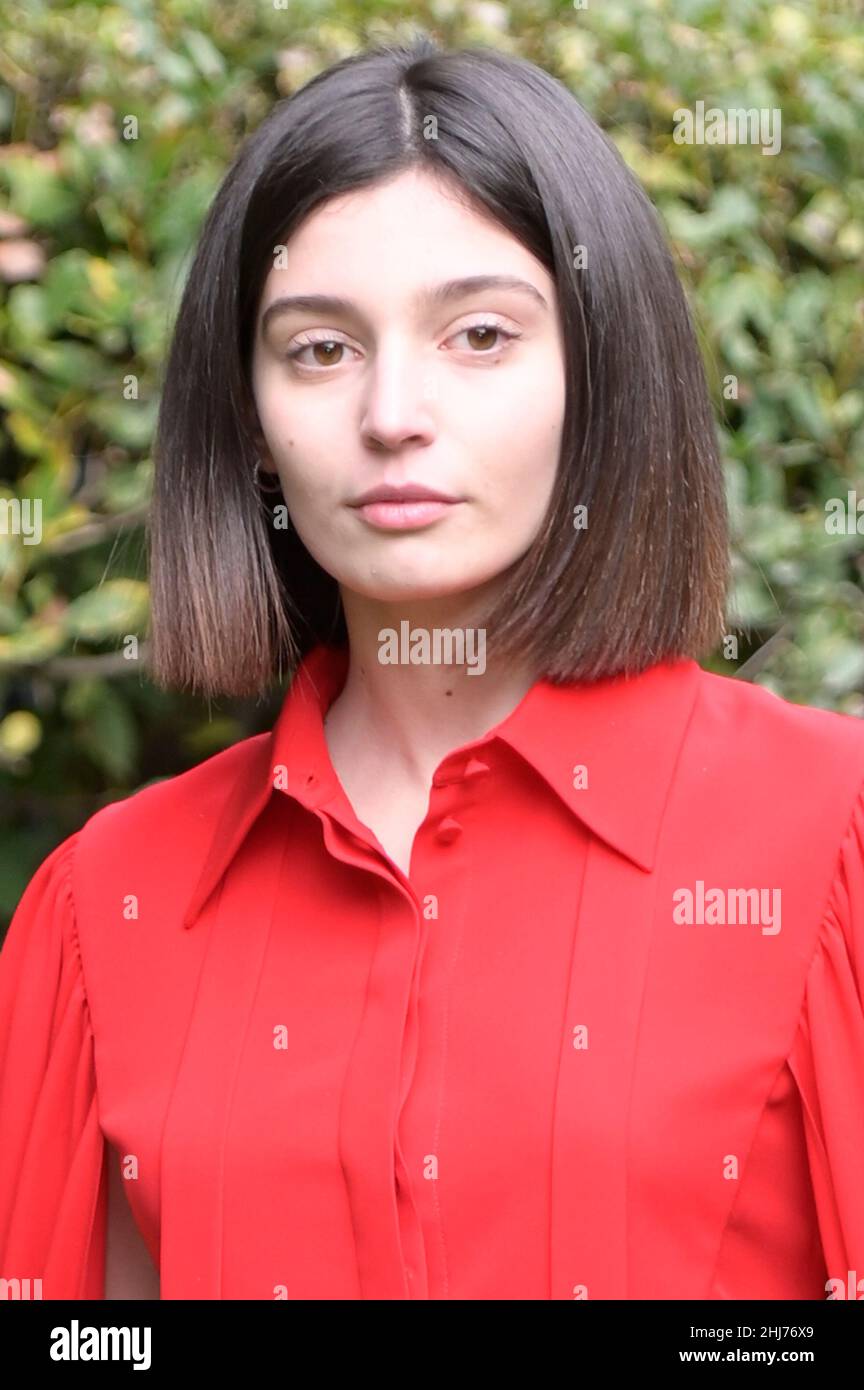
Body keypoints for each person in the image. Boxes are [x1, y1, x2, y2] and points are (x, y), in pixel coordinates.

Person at [1, 34, 862, 1303]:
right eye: (319, 348)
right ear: (249, 420)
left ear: (600, 373)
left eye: (477, 333)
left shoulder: (833, 835)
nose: (392, 410)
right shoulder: (101, 910)